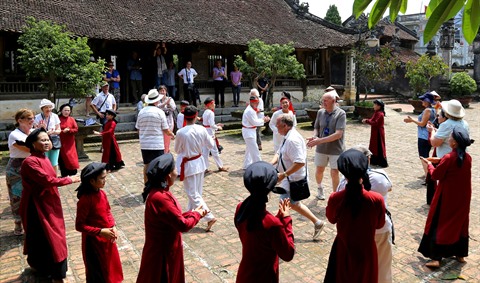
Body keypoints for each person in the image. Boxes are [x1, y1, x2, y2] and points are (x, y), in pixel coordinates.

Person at [19, 128, 80, 282]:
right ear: (33, 144)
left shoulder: (44, 158)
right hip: (37, 205)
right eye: (43, 140)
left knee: (52, 233)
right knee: (47, 235)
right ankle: (51, 270)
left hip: (49, 200)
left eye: (48, 139)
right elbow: (47, 181)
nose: (47, 142)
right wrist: (69, 179)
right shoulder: (30, 162)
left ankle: (44, 267)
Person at [136, 154, 207, 282]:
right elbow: (182, 224)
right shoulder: (160, 198)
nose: (177, 172)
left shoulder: (161, 192)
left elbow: (171, 217)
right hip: (163, 252)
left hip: (166, 246)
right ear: (168, 175)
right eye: (175, 169)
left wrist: (192, 213)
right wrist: (197, 214)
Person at [324, 149, 386, 283]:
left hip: (343, 248)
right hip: (367, 250)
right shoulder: (376, 199)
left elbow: (331, 219)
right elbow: (380, 224)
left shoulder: (336, 198)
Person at [337, 145, 393, 283]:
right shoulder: (380, 177)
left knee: (354, 269)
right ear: (367, 159)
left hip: (352, 231)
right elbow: (388, 189)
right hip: (379, 230)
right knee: (382, 269)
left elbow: (334, 213)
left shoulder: (343, 183)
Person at [418, 127, 473, 268]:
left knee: (440, 223)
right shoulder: (467, 158)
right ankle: (460, 253)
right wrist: (438, 160)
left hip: (446, 196)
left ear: (454, 143)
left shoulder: (449, 158)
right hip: (463, 198)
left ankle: (436, 258)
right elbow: (452, 162)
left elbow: (436, 175)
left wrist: (429, 164)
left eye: (451, 137)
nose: (448, 139)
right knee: (459, 224)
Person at [235, 161, 295, 282]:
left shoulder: (241, 208)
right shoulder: (272, 224)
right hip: (264, 276)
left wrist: (278, 218)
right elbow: (288, 253)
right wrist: (286, 219)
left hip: (245, 273)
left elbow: (260, 233)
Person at [270, 114, 325, 241]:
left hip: (293, 179)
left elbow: (300, 162)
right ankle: (317, 222)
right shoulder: (287, 136)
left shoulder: (292, 140)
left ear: (285, 125)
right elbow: (279, 152)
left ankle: (280, 233)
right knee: (293, 204)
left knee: (284, 206)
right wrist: (271, 163)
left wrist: (283, 174)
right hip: (288, 178)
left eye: (277, 126)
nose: (276, 128)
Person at [75, 162, 123, 282]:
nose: (104, 181)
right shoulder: (85, 200)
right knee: (98, 273)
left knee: (110, 269)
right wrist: (100, 231)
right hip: (93, 242)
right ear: (92, 181)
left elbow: (107, 211)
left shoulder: (102, 193)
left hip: (106, 238)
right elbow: (79, 225)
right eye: (102, 178)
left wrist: (113, 226)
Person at [174, 106, 217, 232]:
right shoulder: (201, 129)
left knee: (193, 193)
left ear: (184, 116)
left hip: (190, 163)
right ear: (196, 115)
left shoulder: (181, 132)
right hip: (199, 161)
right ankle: (190, 214)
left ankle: (209, 216)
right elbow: (211, 144)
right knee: (196, 192)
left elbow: (177, 150)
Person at [306, 90, 346, 200]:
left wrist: (319, 141)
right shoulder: (320, 112)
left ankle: (336, 195)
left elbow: (338, 134)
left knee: (334, 172)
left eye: (326, 101)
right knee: (319, 170)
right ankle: (319, 188)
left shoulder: (341, 113)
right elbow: (316, 127)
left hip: (336, 148)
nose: (323, 102)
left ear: (333, 101)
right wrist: (314, 136)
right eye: (322, 100)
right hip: (321, 148)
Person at [135, 89, 175, 183]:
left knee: (147, 165)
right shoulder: (159, 112)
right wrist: (172, 134)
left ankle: (147, 185)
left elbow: (138, 128)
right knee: (159, 165)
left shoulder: (141, 112)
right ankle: (158, 184)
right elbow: (165, 129)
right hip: (157, 143)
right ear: (156, 101)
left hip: (145, 144)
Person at [6, 108, 34, 236]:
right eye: (28, 118)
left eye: (32, 118)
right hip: (16, 167)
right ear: (19, 120)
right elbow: (29, 148)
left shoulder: (33, 132)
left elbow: (47, 144)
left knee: (33, 195)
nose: (31, 121)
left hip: (32, 165)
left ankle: (32, 223)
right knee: (17, 196)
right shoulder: (15, 134)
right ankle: (18, 222)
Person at [403, 92, 435, 177]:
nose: (422, 102)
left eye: (423, 100)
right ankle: (428, 173)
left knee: (423, 157)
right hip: (427, 135)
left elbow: (422, 124)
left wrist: (412, 120)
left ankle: (428, 175)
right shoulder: (433, 109)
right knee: (426, 155)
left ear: (427, 101)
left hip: (423, 136)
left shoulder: (428, 110)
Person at [242, 94, 270, 169]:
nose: (257, 104)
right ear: (252, 102)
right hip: (249, 132)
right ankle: (259, 167)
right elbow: (255, 122)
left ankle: (246, 164)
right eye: (256, 103)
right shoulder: (249, 111)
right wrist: (264, 120)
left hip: (250, 131)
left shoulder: (251, 109)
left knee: (249, 149)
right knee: (255, 150)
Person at [34, 99, 62, 173]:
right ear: (42, 108)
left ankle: (54, 179)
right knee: (43, 161)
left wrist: (53, 132)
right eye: (46, 107)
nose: (48, 109)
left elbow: (59, 130)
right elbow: (34, 131)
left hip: (54, 140)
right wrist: (40, 128)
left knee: (54, 162)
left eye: (50, 107)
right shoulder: (37, 117)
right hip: (42, 141)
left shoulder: (55, 116)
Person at [201, 97, 229, 172]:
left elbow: (208, 124)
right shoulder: (210, 112)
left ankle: (205, 167)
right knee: (214, 150)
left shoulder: (205, 112)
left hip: (205, 132)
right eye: (213, 103)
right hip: (209, 134)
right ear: (210, 104)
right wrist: (218, 127)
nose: (214, 104)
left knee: (205, 151)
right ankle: (220, 166)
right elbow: (211, 125)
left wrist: (216, 125)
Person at [362, 99, 388, 168]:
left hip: (378, 132)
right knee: (373, 146)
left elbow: (375, 122)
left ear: (379, 106)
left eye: (375, 105)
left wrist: (367, 121)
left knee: (379, 146)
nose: (374, 106)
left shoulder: (380, 114)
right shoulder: (376, 112)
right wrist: (367, 120)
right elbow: (372, 120)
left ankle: (381, 162)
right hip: (375, 131)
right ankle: (374, 161)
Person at [58, 104, 79, 177]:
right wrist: (62, 131)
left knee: (71, 156)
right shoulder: (57, 119)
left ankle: (73, 171)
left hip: (70, 141)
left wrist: (69, 130)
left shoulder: (71, 119)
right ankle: (64, 173)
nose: (67, 112)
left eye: (68, 110)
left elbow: (76, 129)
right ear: (61, 111)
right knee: (62, 157)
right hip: (61, 140)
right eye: (65, 110)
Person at [157, 85, 177, 153]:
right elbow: (157, 107)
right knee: (160, 138)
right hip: (159, 121)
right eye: (160, 91)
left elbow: (173, 108)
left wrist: (169, 105)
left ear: (166, 91)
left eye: (163, 91)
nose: (162, 92)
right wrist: (165, 103)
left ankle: (166, 151)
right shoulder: (157, 100)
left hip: (169, 120)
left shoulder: (170, 99)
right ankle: (164, 151)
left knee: (167, 138)